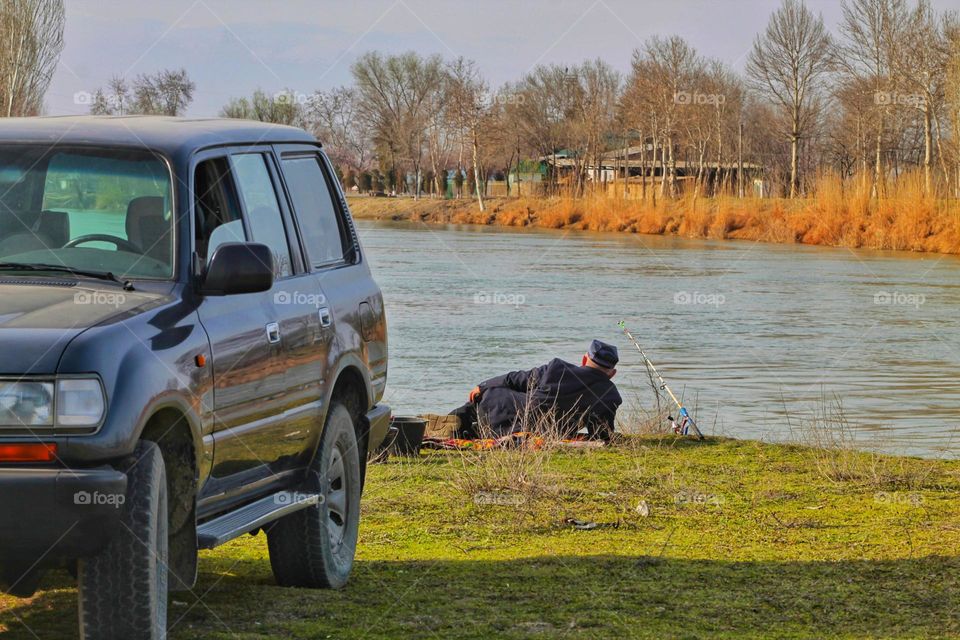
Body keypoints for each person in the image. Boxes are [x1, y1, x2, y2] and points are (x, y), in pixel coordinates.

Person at [450, 340, 623, 441]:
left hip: (507, 411)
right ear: (612, 373)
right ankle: (465, 430)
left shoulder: (558, 367)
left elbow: (516, 379)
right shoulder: (611, 395)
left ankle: (454, 420)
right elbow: (601, 434)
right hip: (547, 432)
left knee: (488, 396)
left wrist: (484, 385)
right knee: (488, 424)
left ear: (585, 359)